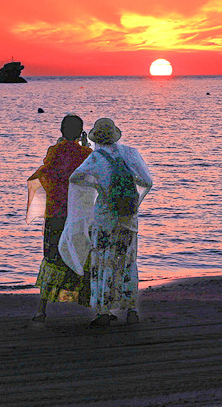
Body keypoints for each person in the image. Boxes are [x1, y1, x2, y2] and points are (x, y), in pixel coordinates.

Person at [60, 117, 152, 327]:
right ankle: (131, 309)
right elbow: (147, 181)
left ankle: (104, 310)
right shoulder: (130, 153)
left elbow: (75, 178)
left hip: (105, 216)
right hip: (128, 217)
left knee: (103, 260)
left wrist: (99, 185)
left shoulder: (95, 158)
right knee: (127, 259)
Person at [26, 114, 92, 322]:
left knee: (52, 256)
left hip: (56, 212)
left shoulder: (54, 152)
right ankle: (93, 305)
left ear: (61, 131)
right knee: (82, 255)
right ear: (81, 132)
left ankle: (42, 309)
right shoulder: (87, 153)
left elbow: (47, 173)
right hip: (78, 214)